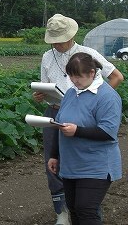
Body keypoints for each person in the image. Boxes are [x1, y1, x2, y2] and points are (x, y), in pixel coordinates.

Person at [33, 14, 123, 225]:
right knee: (55, 163)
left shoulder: (87, 54)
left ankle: (89, 212)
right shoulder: (47, 56)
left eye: (60, 38)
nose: (56, 43)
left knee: (86, 201)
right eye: (53, 39)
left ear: (71, 36)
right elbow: (45, 85)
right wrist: (40, 95)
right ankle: (62, 213)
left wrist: (95, 100)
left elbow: (116, 76)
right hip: (57, 111)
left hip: (86, 116)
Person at [48, 52, 122, 225]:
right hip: (71, 163)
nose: (74, 80)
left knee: (86, 209)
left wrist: (77, 131)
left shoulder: (107, 97)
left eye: (78, 76)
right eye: (71, 76)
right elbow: (59, 125)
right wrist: (54, 155)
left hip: (97, 166)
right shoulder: (71, 94)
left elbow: (108, 132)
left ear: (91, 73)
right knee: (74, 208)